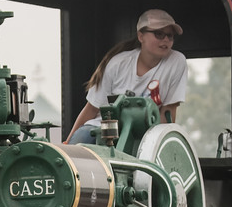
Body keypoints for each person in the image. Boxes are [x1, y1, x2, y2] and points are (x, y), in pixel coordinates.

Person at [65, 9, 188, 143]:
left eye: (170, 36)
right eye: (159, 34)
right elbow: (92, 108)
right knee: (82, 137)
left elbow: (168, 112)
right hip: (106, 129)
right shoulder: (118, 63)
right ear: (141, 36)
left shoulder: (177, 61)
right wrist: (67, 143)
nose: (166, 40)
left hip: (145, 132)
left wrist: (157, 144)